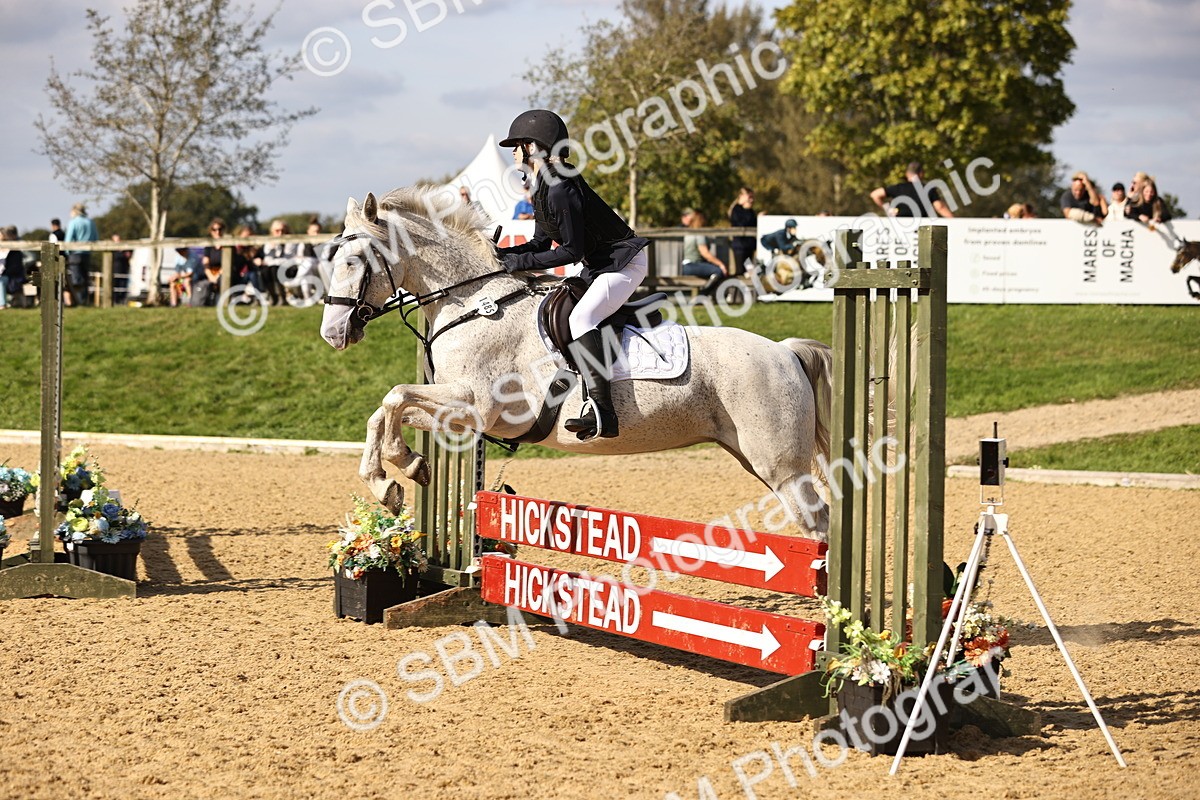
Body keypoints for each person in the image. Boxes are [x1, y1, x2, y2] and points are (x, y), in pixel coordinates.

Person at [495, 108, 649, 440]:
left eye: (517, 144)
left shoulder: (561, 183)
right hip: (599, 263)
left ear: (534, 146)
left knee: (581, 319)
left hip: (623, 262)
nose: (512, 152)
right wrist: (504, 255)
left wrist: (519, 264)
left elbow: (571, 252)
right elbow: (539, 242)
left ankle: (604, 414)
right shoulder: (542, 183)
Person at [870, 161, 954, 218]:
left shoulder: (898, 188)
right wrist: (954, 221)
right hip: (921, 228)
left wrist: (888, 209)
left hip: (900, 226)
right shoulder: (928, 189)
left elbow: (875, 195)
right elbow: (940, 207)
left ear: (907, 174)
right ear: (921, 174)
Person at [680, 211, 728, 295]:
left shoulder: (688, 233)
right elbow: (705, 253)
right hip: (692, 265)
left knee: (712, 270)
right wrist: (721, 264)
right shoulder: (699, 234)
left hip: (686, 265)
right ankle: (702, 295)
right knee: (718, 271)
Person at [1127, 176, 1182, 248]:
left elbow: (1167, 215)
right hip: (1139, 237)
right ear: (1142, 191)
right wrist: (1139, 216)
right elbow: (1128, 214)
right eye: (1146, 191)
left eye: (1151, 192)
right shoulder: (1136, 201)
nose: (1149, 194)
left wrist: (1159, 218)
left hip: (1155, 240)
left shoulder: (1158, 201)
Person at [65, 202, 99, 306]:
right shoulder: (91, 222)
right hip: (87, 254)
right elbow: (95, 238)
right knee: (85, 279)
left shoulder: (73, 222)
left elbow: (69, 240)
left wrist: (67, 252)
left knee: (76, 279)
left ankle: (79, 302)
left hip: (75, 254)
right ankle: (85, 301)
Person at [261, 219, 296, 306]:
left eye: (283, 231)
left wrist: (274, 259)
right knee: (265, 271)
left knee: (274, 269)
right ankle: (273, 296)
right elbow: (267, 259)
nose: (280, 233)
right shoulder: (269, 243)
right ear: (272, 231)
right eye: (277, 231)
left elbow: (288, 259)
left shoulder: (290, 242)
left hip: (288, 268)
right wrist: (273, 246)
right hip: (274, 267)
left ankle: (281, 297)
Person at [728, 187, 757, 275]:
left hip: (749, 246)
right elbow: (741, 224)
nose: (751, 200)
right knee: (740, 271)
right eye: (749, 197)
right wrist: (747, 210)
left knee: (749, 271)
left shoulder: (751, 211)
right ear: (742, 196)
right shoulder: (736, 210)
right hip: (740, 247)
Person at [0, 226, 25, 309]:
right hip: (5, 274)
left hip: (10, 275)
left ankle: (2, 304)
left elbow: (15, 266)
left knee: (1, 281)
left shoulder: (13, 248)